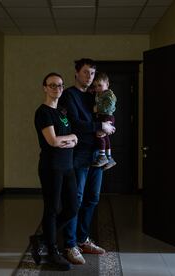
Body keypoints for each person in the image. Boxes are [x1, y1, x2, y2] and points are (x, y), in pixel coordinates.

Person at [59, 59, 116, 265]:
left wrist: (107, 125)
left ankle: (83, 240)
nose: (89, 77)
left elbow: (107, 112)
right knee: (76, 199)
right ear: (76, 73)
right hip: (79, 153)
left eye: (92, 73)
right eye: (85, 72)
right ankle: (70, 244)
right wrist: (99, 125)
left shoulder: (96, 95)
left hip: (96, 154)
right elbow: (74, 122)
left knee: (92, 198)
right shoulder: (69, 95)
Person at [30, 72, 79, 271]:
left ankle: (41, 238)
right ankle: (51, 251)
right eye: (52, 85)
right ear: (44, 88)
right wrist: (68, 140)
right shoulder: (43, 112)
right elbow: (52, 141)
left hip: (68, 167)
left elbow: (73, 138)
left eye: (60, 85)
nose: (57, 89)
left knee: (72, 208)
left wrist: (68, 139)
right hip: (51, 168)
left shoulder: (62, 112)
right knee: (51, 209)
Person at [92, 72, 117, 170]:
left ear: (107, 84)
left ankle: (102, 156)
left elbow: (109, 106)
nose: (97, 88)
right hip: (102, 117)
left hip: (107, 117)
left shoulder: (109, 95)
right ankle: (109, 158)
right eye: (95, 86)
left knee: (99, 134)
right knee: (105, 136)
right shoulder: (99, 93)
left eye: (100, 85)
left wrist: (97, 108)